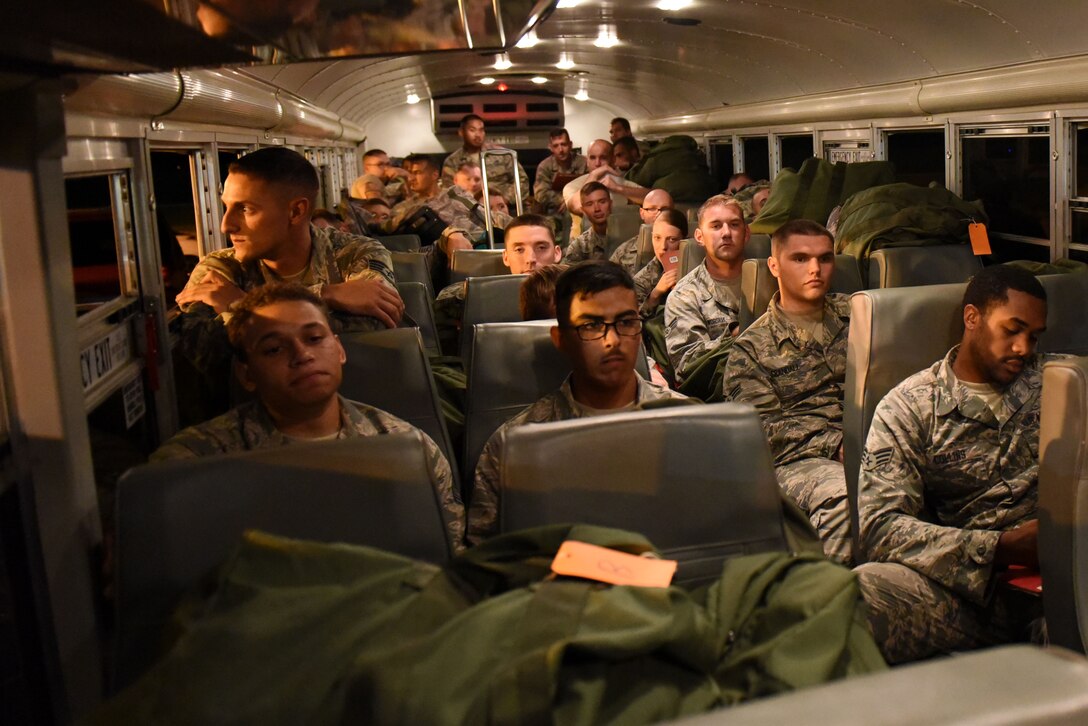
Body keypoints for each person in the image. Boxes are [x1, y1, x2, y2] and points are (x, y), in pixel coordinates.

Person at [154, 283, 465, 551]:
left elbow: (449, 558)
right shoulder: (193, 465)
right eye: (274, 349)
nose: (302, 354)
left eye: (315, 339)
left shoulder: (407, 449)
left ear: (340, 351)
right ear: (246, 373)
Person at [855, 265, 1055, 664]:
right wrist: (998, 548)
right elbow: (880, 526)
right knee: (854, 599)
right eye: (1011, 330)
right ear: (972, 318)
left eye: (1033, 337)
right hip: (969, 591)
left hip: (1061, 582)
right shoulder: (912, 406)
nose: (1023, 348)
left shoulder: (1059, 384)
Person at [467, 261, 691, 544]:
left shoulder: (688, 422)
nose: (612, 340)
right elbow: (486, 558)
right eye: (591, 326)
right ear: (560, 339)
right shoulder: (516, 446)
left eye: (626, 323)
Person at [175, 147, 404, 380]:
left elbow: (372, 329)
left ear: (296, 211)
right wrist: (326, 294)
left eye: (245, 209)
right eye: (227, 207)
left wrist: (242, 308)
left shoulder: (356, 253)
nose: (226, 225)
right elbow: (199, 352)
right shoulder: (220, 269)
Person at [723, 220, 852, 565]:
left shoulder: (862, 314)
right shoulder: (751, 348)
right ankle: (832, 599)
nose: (815, 269)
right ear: (774, 265)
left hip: (874, 440)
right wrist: (837, 445)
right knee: (844, 495)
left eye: (825, 259)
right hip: (799, 461)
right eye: (800, 259)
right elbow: (761, 433)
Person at [432, 213, 563, 355]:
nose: (530, 259)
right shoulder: (469, 297)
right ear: (506, 257)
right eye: (519, 249)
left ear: (557, 253)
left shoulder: (575, 292)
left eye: (541, 247)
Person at [664, 196, 749, 384]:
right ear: (699, 237)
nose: (726, 233)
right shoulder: (685, 294)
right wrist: (733, 336)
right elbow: (686, 366)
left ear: (746, 233)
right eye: (716, 226)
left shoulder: (773, 281)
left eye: (734, 225)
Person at [383, 153, 488, 259]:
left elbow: (485, 215)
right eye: (409, 173)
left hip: (481, 247)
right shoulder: (403, 209)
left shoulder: (455, 194)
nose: (411, 178)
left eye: (417, 173)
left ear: (434, 174)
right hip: (439, 258)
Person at [441, 114, 529, 206]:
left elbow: (522, 180)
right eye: (472, 130)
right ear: (461, 132)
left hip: (506, 210)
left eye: (481, 130)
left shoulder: (501, 154)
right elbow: (449, 192)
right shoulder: (452, 161)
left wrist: (503, 200)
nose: (478, 134)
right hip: (470, 212)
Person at [633, 209, 687, 316]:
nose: (663, 247)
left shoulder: (702, 269)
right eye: (657, 238)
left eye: (671, 240)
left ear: (685, 240)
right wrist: (655, 295)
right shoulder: (641, 280)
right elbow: (634, 322)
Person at [609, 188, 674, 276]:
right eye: (652, 209)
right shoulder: (623, 252)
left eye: (665, 209)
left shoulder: (685, 247)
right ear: (642, 213)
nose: (659, 214)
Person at [534, 128, 588, 217]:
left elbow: (590, 185)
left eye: (564, 144)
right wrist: (564, 200)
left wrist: (573, 199)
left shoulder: (584, 162)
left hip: (581, 204)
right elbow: (541, 193)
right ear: (550, 148)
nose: (560, 150)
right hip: (555, 210)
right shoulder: (544, 166)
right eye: (556, 146)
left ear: (570, 145)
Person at [563, 182, 612, 263]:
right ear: (583, 210)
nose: (597, 209)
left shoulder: (629, 236)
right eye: (589, 204)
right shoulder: (579, 246)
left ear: (610, 204)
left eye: (602, 202)